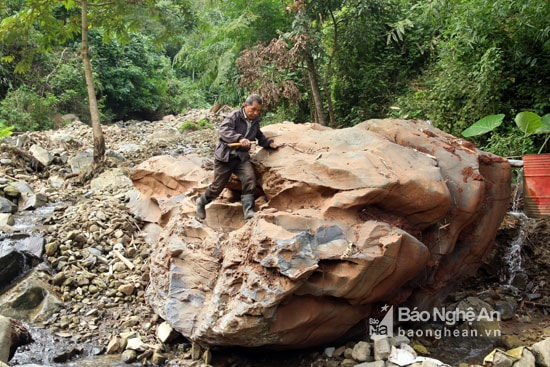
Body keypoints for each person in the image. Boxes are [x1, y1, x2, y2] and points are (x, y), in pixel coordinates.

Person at [196, 94, 282, 220]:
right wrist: (239, 138)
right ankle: (201, 202)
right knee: (217, 187)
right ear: (245, 105)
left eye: (258, 110)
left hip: (241, 158)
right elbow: (224, 131)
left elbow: (259, 136)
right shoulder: (234, 117)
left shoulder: (255, 122)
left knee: (250, 179)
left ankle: (248, 212)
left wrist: (270, 143)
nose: (255, 113)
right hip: (225, 157)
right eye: (253, 109)